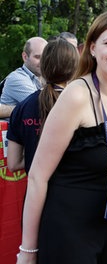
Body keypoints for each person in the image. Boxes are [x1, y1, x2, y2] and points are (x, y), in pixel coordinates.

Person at [16, 10, 107, 264]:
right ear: (93, 48)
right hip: (69, 229)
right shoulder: (76, 95)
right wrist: (28, 250)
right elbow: (38, 176)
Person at [7, 38, 79, 173]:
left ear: (43, 65)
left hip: (33, 191)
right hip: (74, 189)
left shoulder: (22, 107)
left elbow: (13, 164)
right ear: (75, 68)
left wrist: (33, 156)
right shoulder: (83, 105)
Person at [0, 37, 47, 118]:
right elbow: (44, 107)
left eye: (45, 57)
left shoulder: (43, 78)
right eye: (37, 57)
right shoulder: (17, 79)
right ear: (25, 57)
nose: (43, 61)